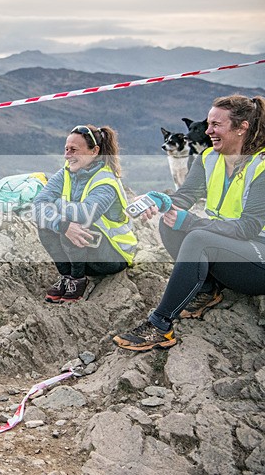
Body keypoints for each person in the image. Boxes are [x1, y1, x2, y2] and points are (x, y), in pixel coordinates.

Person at [114, 95, 265, 351]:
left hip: (258, 259)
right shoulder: (209, 158)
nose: (208, 131)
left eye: (216, 125)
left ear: (241, 128)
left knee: (196, 236)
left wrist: (193, 222)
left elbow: (247, 228)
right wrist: (159, 200)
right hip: (232, 250)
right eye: (208, 124)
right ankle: (206, 290)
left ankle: (160, 325)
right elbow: (184, 197)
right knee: (171, 222)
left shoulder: (261, 167)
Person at [32, 124, 137, 303]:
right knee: (50, 224)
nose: (67, 155)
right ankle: (67, 277)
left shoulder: (106, 181)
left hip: (114, 255)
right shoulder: (65, 172)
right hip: (87, 249)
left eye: (74, 150)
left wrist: (56, 205)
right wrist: (60, 223)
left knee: (74, 224)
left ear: (94, 151)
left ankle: (78, 279)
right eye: (66, 149)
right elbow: (37, 205)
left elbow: (85, 214)